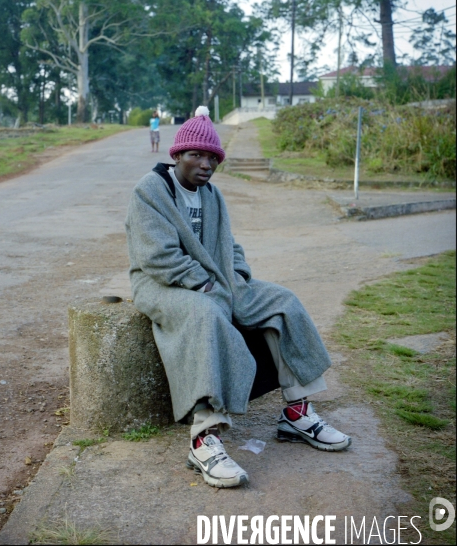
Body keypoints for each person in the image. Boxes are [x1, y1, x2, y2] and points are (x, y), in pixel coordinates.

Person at [125, 106, 351, 489]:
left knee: (283, 300)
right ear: (177, 154)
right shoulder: (150, 190)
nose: (205, 164)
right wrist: (205, 285)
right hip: (161, 284)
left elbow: (229, 245)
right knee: (207, 315)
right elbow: (155, 255)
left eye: (212, 157)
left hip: (217, 279)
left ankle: (297, 413)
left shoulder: (212, 195)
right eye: (196, 154)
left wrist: (239, 276)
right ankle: (203, 438)